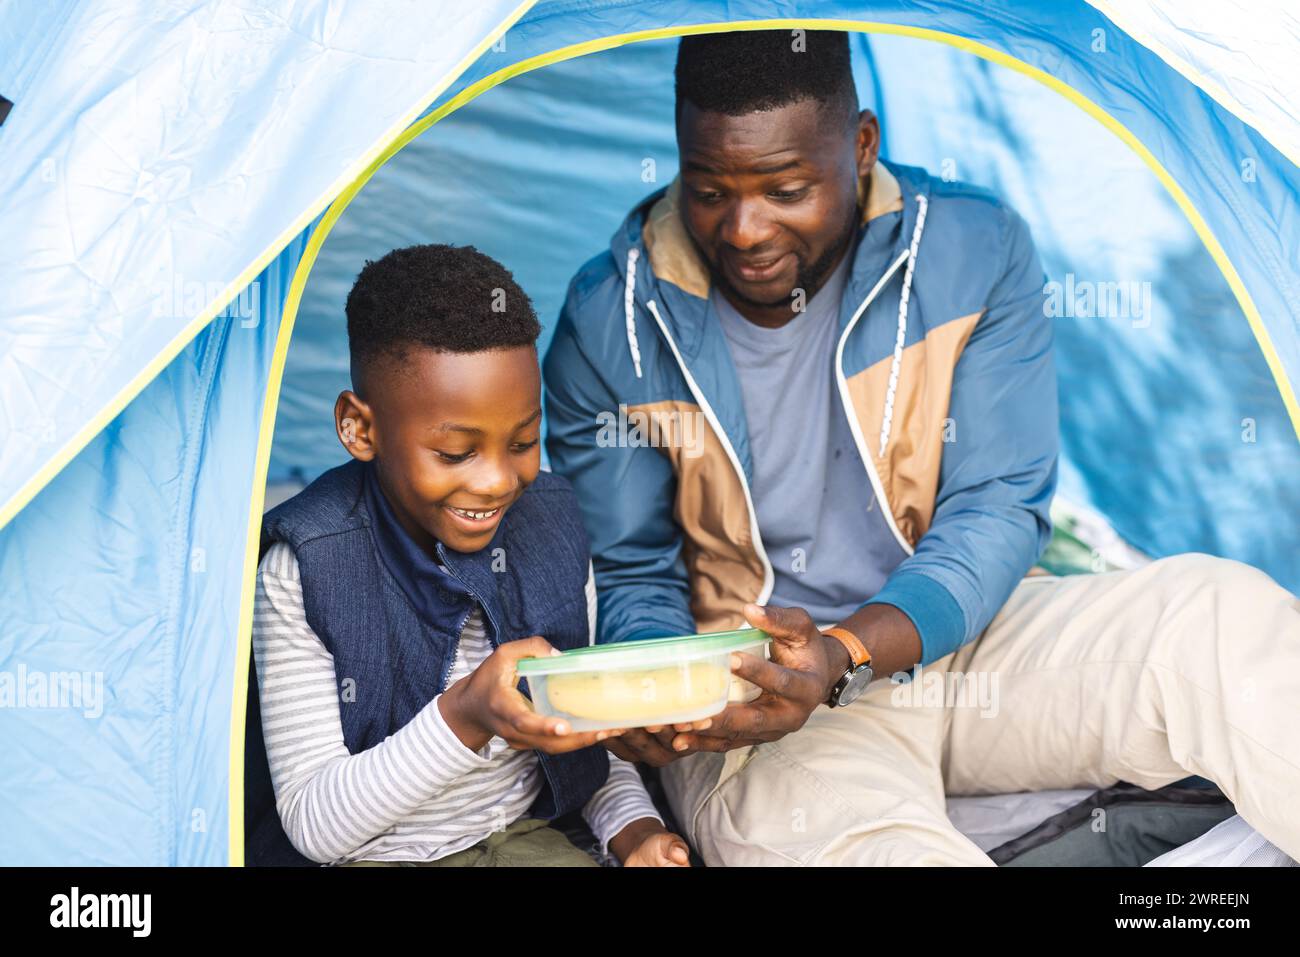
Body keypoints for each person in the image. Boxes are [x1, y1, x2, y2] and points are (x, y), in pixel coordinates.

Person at [543, 29, 1300, 865]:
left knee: (1223, 619)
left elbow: (998, 505)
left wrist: (847, 653)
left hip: (968, 637)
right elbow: (628, 569)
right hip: (757, 690)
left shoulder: (972, 249)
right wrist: (667, 688)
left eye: (787, 188)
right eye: (708, 188)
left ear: (862, 146)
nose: (745, 229)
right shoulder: (610, 317)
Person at [248, 244, 689, 867]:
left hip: (526, 840)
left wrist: (636, 833)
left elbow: (584, 740)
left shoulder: (552, 524)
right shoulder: (306, 571)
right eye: (456, 453)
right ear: (360, 428)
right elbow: (316, 825)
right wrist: (466, 712)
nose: (496, 481)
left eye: (523, 441)